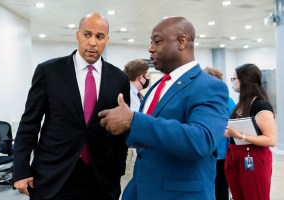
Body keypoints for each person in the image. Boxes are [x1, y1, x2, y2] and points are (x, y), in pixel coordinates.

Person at [98, 16, 229, 200]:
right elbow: (146, 140)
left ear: (182, 42)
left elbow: (201, 140)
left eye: (157, 41)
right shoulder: (156, 87)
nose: (150, 48)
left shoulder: (210, 87)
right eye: (151, 42)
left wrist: (133, 121)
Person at [13, 12, 130, 200]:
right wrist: (21, 169)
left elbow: (121, 132)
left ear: (106, 40)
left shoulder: (119, 79)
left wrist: (118, 168)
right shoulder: (49, 71)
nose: (92, 42)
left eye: (99, 37)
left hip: (101, 178)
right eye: (87, 34)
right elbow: (30, 123)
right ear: (78, 36)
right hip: (54, 176)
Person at [224, 63, 276, 200]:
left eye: (234, 79)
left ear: (245, 81)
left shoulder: (260, 106)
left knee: (255, 195)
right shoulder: (241, 104)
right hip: (235, 156)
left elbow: (270, 140)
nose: (233, 83)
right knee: (238, 196)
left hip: (253, 158)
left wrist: (241, 135)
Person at [204, 67, 236, 200]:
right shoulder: (228, 101)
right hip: (209, 153)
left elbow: (233, 127)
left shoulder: (228, 101)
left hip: (220, 154)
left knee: (219, 187)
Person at [121, 59, 150, 190]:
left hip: (136, 149)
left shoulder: (137, 95)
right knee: (128, 187)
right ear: (140, 77)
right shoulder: (128, 95)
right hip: (130, 151)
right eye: (147, 75)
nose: (148, 78)